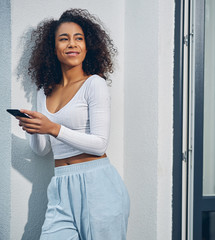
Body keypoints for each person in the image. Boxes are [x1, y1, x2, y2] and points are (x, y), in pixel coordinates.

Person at [16, 8, 130, 240]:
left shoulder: (93, 84)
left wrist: (52, 128)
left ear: (88, 47)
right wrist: (35, 128)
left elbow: (99, 145)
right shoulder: (44, 90)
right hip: (61, 184)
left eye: (79, 38)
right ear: (53, 48)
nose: (72, 44)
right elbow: (41, 150)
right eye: (64, 39)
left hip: (98, 185)